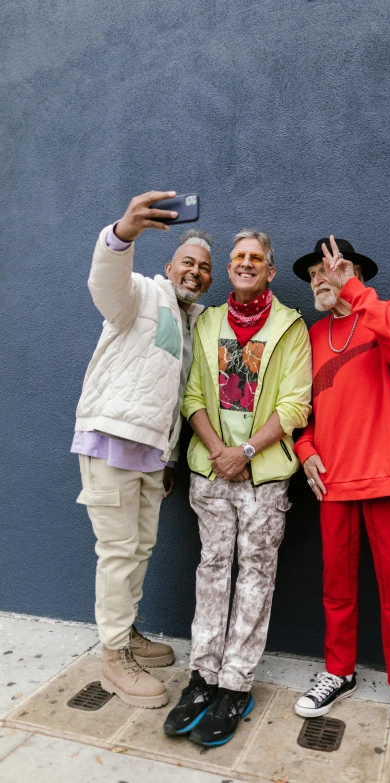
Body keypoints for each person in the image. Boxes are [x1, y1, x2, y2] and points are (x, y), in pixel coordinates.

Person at [163, 229, 312, 746]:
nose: (245, 264)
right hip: (210, 471)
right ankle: (202, 677)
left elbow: (295, 405)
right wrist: (220, 452)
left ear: (270, 271)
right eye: (238, 258)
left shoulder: (290, 327)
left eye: (256, 259)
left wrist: (246, 452)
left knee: (255, 576)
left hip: (264, 477)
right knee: (211, 571)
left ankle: (236, 684)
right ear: (229, 269)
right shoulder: (206, 322)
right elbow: (192, 394)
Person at [72, 190, 213, 708]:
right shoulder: (139, 293)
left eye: (203, 268)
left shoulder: (194, 321)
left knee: (140, 551)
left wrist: (169, 456)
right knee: (116, 553)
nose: (194, 272)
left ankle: (125, 635)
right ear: (169, 266)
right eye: (187, 263)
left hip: (153, 457)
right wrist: (122, 234)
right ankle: (112, 660)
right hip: (110, 445)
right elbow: (103, 283)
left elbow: (171, 394)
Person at [291, 236, 390, 748]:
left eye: (330, 270)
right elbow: (300, 406)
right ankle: (338, 671)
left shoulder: (386, 311)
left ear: (355, 272)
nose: (319, 280)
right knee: (335, 587)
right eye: (313, 275)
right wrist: (306, 450)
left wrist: (352, 287)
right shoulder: (312, 333)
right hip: (334, 481)